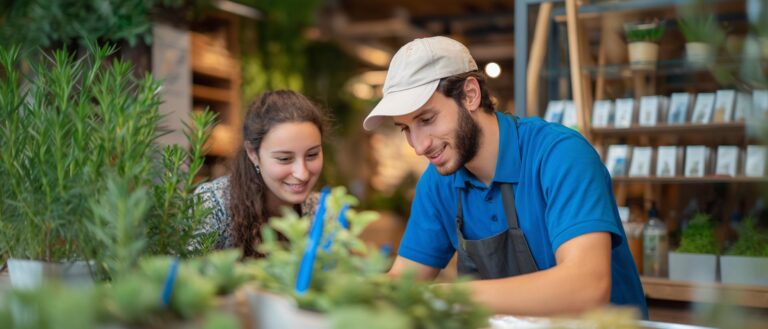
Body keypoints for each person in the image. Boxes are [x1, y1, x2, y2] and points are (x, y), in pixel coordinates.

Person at [363, 36, 647, 317]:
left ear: (470, 95)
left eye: (427, 120)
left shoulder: (560, 155)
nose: (419, 146)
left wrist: (454, 296)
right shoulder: (438, 182)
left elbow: (587, 288)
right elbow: (403, 282)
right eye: (406, 129)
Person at [194, 90, 328, 257]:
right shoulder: (213, 206)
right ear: (253, 153)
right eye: (284, 158)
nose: (302, 174)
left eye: (312, 155)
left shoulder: (323, 212)